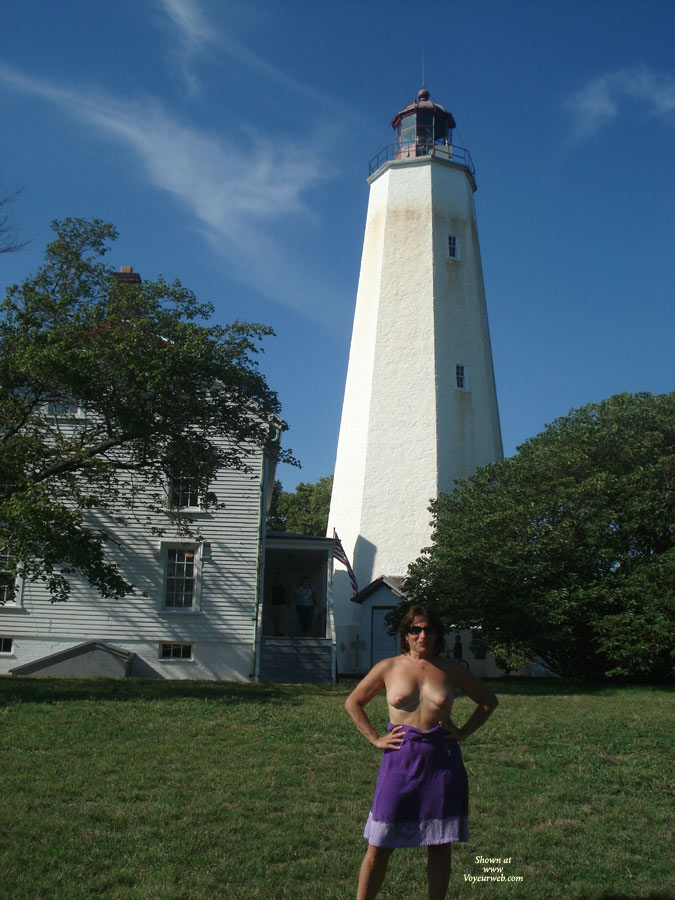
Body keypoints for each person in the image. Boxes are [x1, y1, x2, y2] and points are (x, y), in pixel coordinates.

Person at [345, 606, 498, 900]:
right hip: (400, 761)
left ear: (438, 634)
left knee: (440, 843)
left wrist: (463, 732)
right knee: (379, 843)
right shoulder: (388, 667)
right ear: (406, 634)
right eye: (415, 629)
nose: (422, 635)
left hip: (442, 762)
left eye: (428, 629)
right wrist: (376, 738)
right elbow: (354, 702)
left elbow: (488, 700)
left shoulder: (450, 669)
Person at [269, 571, 289, 636]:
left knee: (281, 619)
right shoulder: (273, 585)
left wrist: (288, 602)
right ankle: (275, 632)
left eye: (279, 576)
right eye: (276, 576)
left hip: (282, 604)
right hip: (274, 604)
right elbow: (268, 593)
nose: (278, 578)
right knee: (274, 618)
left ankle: (281, 632)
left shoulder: (283, 585)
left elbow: (287, 593)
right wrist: (269, 601)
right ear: (275, 577)